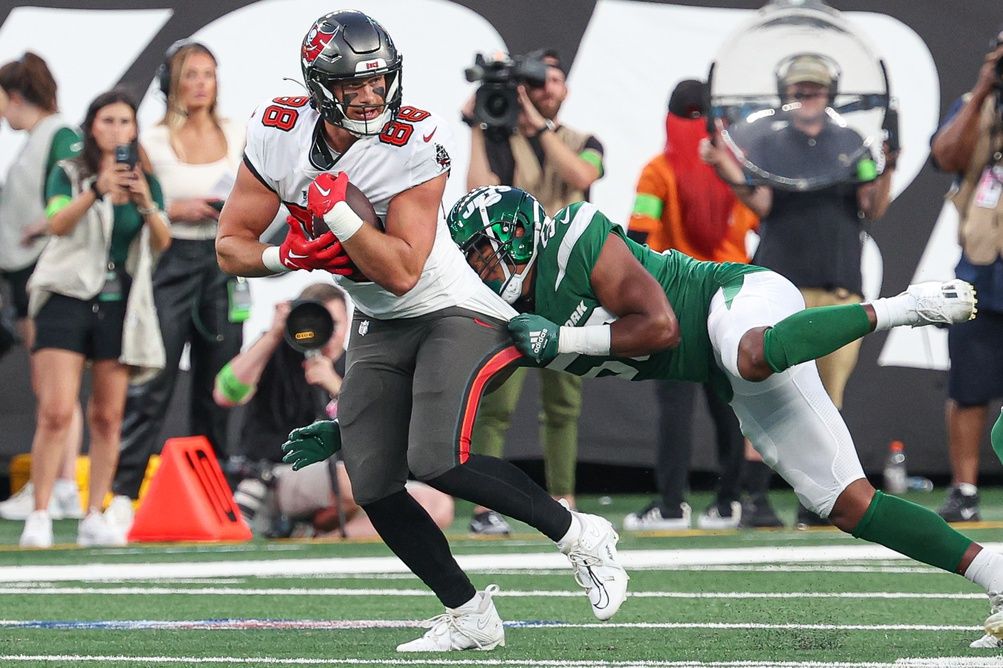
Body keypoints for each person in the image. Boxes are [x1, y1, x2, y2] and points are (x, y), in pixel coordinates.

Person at [215, 10, 627, 652]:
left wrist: (339, 223)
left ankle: (580, 534)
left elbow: (405, 270)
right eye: (355, 85)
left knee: (435, 459)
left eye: (380, 81)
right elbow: (231, 246)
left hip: (452, 307)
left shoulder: (415, 137)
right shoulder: (279, 131)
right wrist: (290, 257)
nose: (372, 96)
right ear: (319, 86)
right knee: (372, 478)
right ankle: (468, 612)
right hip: (378, 318)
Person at [445, 184, 1003, 648]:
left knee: (750, 354)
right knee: (846, 504)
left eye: (493, 252)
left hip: (735, 299)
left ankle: (905, 306)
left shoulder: (574, 237)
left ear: (524, 234)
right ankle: (994, 574)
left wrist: (561, 336)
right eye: (475, 260)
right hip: (721, 370)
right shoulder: (501, 313)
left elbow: (661, 327)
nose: (488, 268)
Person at [700, 52, 896, 528]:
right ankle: (757, 501)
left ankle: (817, 504)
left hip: (839, 284)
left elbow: (873, 206)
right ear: (787, 95)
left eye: (816, 89)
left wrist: (890, 163)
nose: (808, 96)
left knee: (828, 399)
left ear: (831, 93)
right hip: (780, 286)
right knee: (768, 393)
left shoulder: (853, 143)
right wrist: (726, 169)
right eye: (800, 89)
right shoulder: (767, 144)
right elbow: (761, 200)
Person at [20, 90, 171, 548]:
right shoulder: (68, 173)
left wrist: (143, 201)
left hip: (118, 299)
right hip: (68, 295)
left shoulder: (146, 177)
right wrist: (95, 191)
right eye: (108, 121)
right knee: (56, 411)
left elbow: (163, 241)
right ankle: (41, 512)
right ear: (91, 127)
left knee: (108, 416)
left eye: (126, 122)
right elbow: (56, 224)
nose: (117, 130)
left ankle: (94, 511)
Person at [462, 48, 603, 532]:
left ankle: (564, 497)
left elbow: (581, 176)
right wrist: (479, 128)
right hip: (512, 286)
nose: (543, 90)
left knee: (563, 402)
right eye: (535, 83)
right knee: (497, 397)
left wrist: (538, 127)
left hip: (568, 282)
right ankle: (486, 506)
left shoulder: (585, 140)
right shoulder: (499, 139)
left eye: (551, 80)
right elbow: (476, 192)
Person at [111, 41, 245, 514]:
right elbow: (134, 206)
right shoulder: (152, 140)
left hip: (222, 260)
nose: (200, 84)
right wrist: (174, 207)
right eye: (189, 74)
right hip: (171, 258)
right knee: (155, 378)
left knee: (218, 381)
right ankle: (125, 491)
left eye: (207, 74)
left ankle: (216, 496)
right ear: (171, 82)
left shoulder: (237, 131)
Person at [216, 283, 454, 539]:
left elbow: (384, 429)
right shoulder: (276, 353)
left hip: (345, 485)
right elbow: (224, 394)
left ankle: (316, 539)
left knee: (437, 506)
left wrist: (336, 387)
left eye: (335, 324)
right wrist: (273, 334)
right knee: (353, 482)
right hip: (277, 474)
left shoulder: (357, 363)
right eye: (318, 323)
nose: (327, 333)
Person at [624, 78, 759, 531]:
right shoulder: (737, 170)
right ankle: (729, 502)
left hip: (677, 301)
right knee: (729, 403)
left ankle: (670, 506)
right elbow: (766, 220)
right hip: (730, 296)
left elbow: (638, 236)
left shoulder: (657, 172)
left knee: (675, 407)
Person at [0, 53, 86, 522]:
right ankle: (60, 482)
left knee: (54, 387)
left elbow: (73, 189)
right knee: (48, 387)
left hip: (43, 272)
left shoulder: (59, 133)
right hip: (20, 274)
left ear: (14, 95)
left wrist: (43, 225)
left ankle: (60, 483)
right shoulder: (34, 140)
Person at [928, 31, 1003, 528]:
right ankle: (966, 488)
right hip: (982, 263)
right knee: (969, 384)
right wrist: (981, 89)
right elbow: (945, 157)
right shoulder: (975, 106)